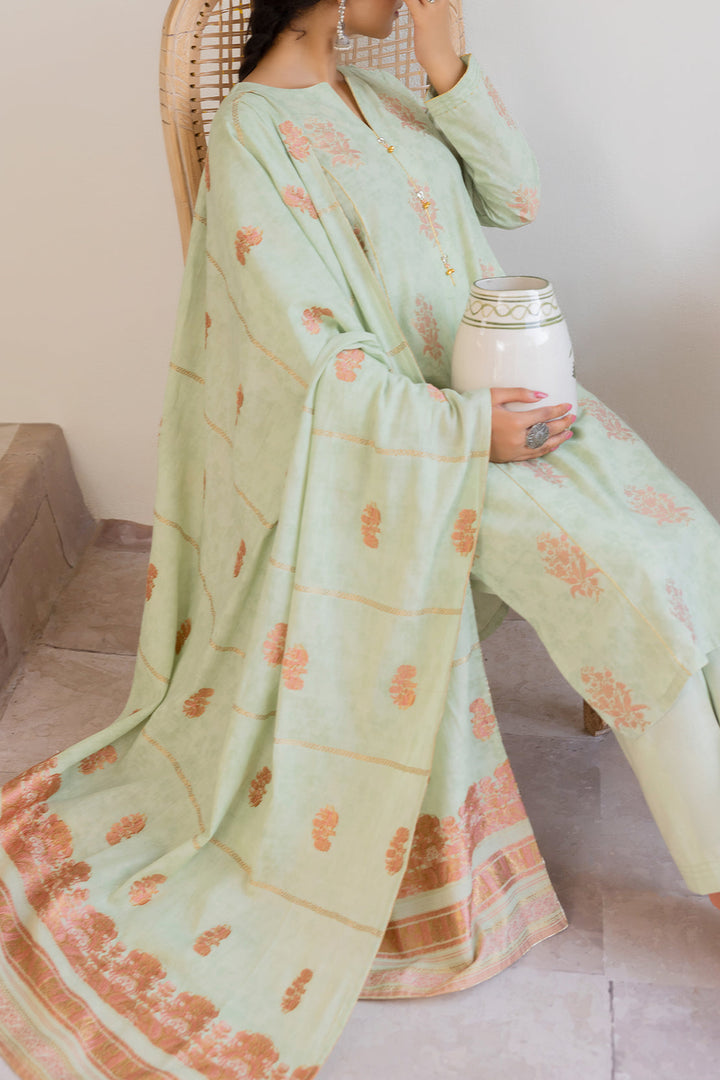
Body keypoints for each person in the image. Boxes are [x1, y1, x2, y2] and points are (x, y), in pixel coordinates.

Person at [1, 0, 719, 1077]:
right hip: (418, 452)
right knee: (628, 589)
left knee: (684, 544)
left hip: (508, 401)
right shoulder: (251, 130)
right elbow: (310, 358)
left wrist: (445, 63)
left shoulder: (385, 92)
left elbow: (518, 198)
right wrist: (469, 430)